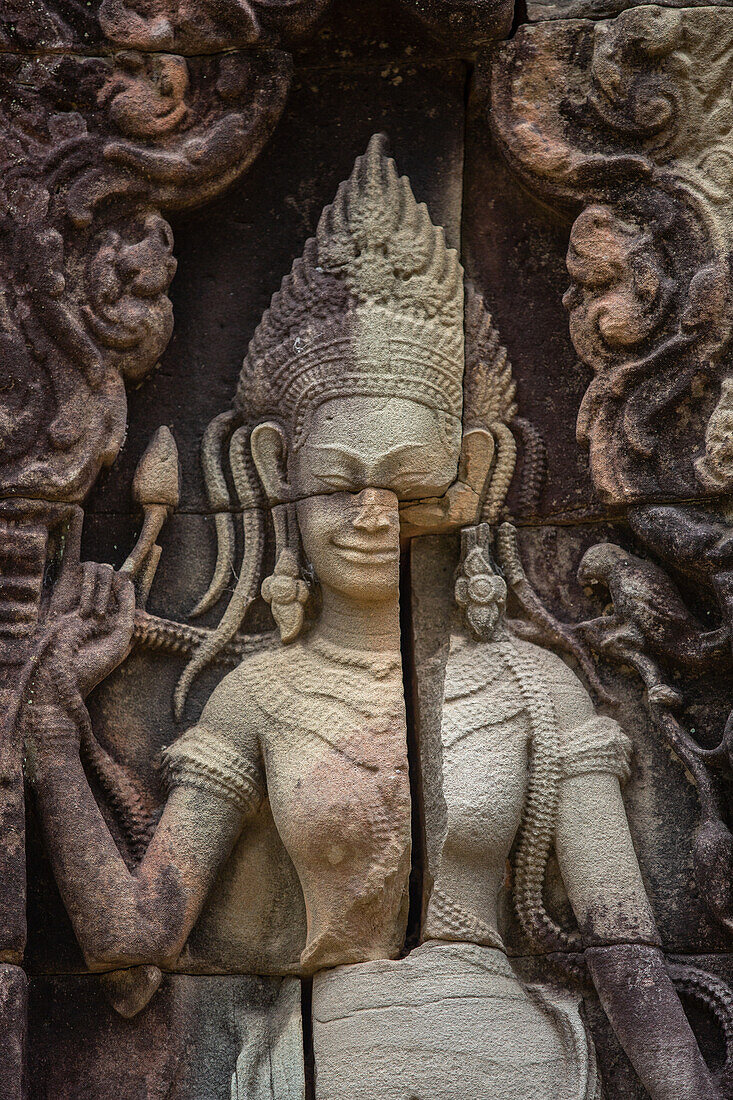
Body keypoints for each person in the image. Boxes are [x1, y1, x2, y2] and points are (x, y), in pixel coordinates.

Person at [24, 136, 721, 1099]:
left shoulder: (533, 686)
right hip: (328, 1058)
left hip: (514, 1063)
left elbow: (624, 951)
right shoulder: (258, 693)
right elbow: (131, 946)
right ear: (274, 474)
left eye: (408, 485)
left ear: (467, 478)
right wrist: (54, 733)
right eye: (338, 483)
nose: (373, 519)